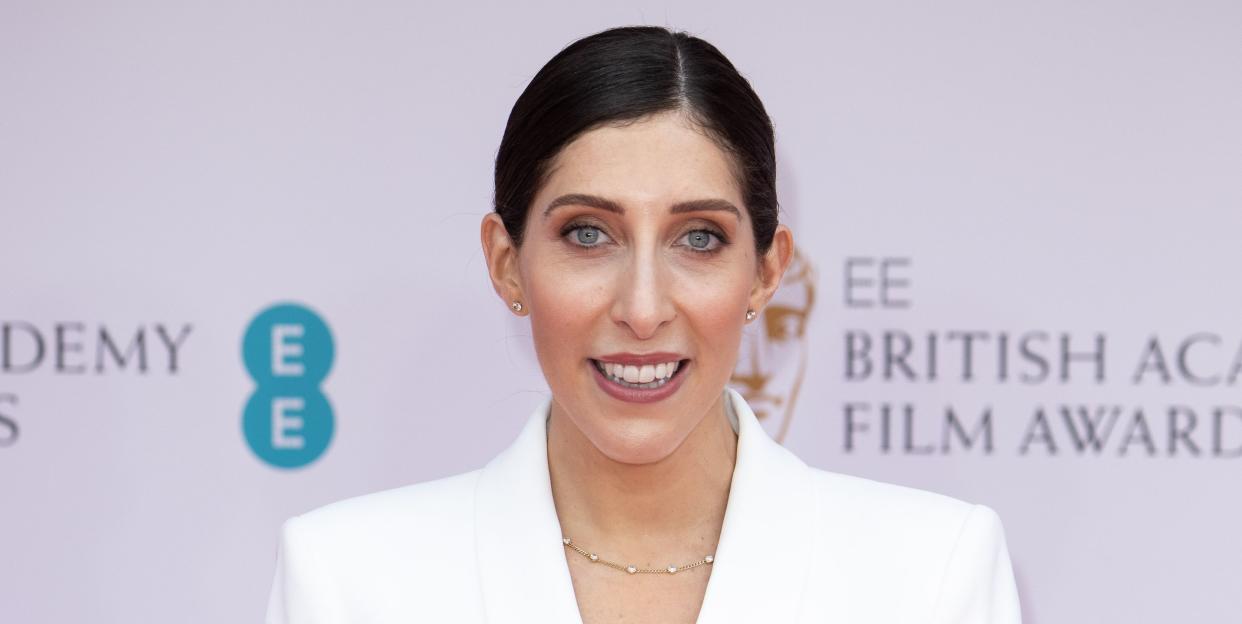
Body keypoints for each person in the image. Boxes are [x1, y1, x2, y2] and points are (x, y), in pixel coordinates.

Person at [264, 25, 1022, 623]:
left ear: (765, 271)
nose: (643, 307)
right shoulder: (349, 582)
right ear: (506, 262)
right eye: (589, 233)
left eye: (699, 238)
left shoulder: (929, 575)